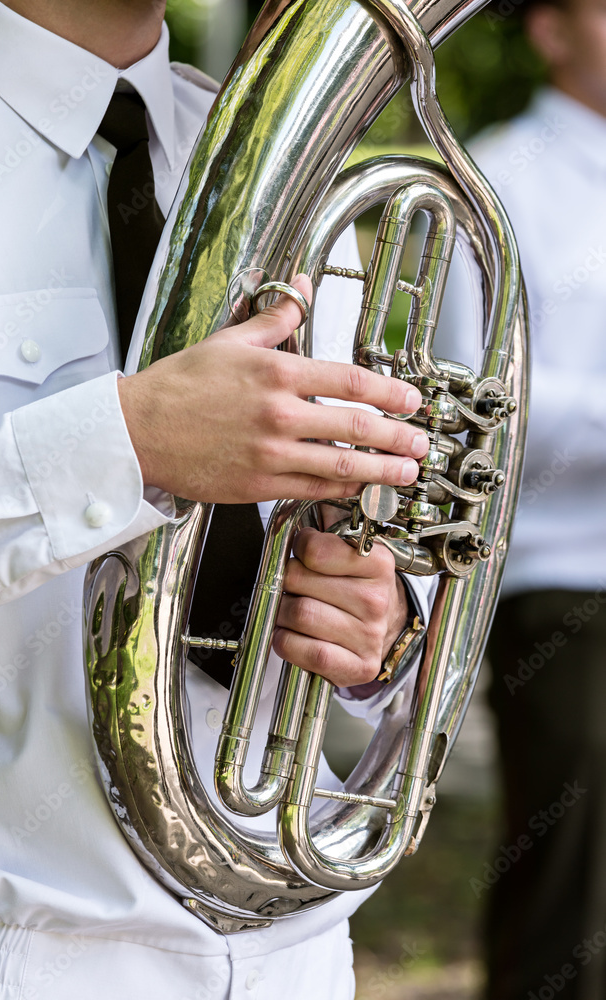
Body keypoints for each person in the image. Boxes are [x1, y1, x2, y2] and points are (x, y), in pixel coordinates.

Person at [0, 1, 433, 997]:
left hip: (296, 952)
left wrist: (385, 625)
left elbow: (367, 521)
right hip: (0, 953)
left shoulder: (283, 158)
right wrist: (130, 443)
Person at [437, 0, 606, 995]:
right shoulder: (498, 179)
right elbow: (476, 406)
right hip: (565, 581)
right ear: (549, 31)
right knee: (574, 886)